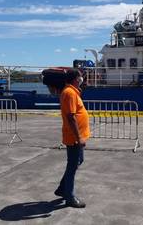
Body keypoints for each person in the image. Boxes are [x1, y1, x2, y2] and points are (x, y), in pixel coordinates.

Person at [54, 69, 90, 208]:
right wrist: (79, 137)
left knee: (77, 161)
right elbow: (71, 116)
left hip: (76, 136)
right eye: (80, 76)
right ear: (75, 78)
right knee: (73, 165)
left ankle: (62, 189)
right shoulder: (69, 93)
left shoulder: (73, 91)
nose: (82, 78)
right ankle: (69, 197)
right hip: (74, 137)